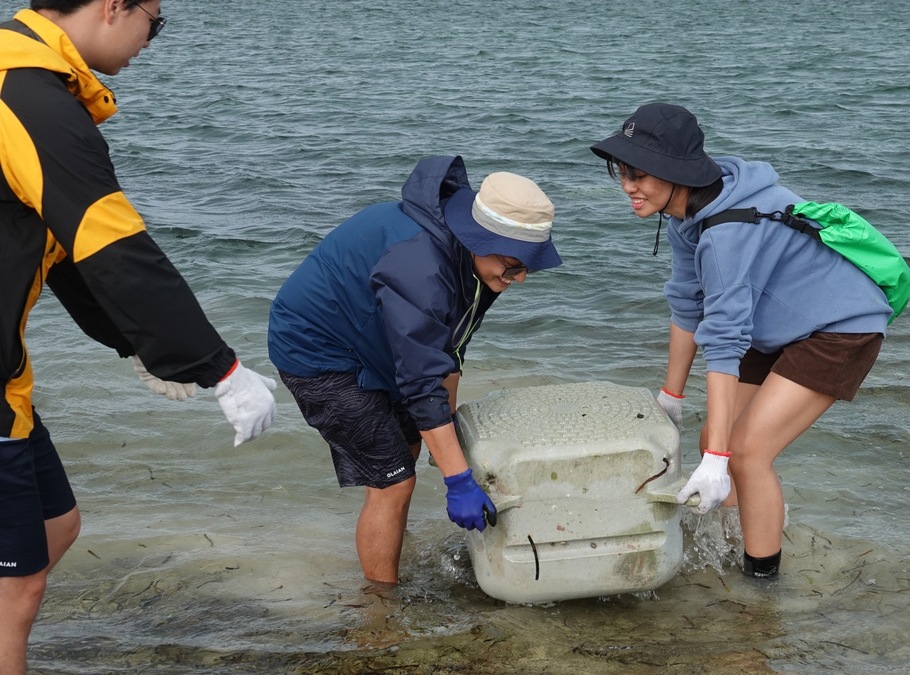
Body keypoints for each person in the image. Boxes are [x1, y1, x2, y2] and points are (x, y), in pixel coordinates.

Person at [0, 1, 278, 672]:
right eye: (155, 20)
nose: (152, 39)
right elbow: (112, 245)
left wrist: (141, 344)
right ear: (112, 6)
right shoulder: (27, 98)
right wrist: (219, 368)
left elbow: (65, 252)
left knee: (56, 526)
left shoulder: (23, 77)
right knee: (16, 589)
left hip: (9, 379)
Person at [590, 103, 894, 578]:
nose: (628, 186)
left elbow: (724, 340)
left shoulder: (726, 233)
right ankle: (737, 542)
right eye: (622, 173)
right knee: (715, 436)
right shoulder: (688, 213)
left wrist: (717, 460)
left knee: (746, 453)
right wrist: (671, 397)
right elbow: (687, 304)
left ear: (675, 169)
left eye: (639, 174)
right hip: (778, 322)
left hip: (841, 328)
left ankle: (763, 581)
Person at [267, 155, 562, 586]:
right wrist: (458, 480)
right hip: (318, 351)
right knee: (394, 482)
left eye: (527, 266)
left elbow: (449, 348)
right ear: (479, 238)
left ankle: (390, 553)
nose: (520, 278)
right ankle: (380, 606)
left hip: (377, 340)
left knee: (410, 450)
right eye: (514, 265)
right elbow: (421, 383)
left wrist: (449, 435)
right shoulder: (422, 268)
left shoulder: (479, 263)